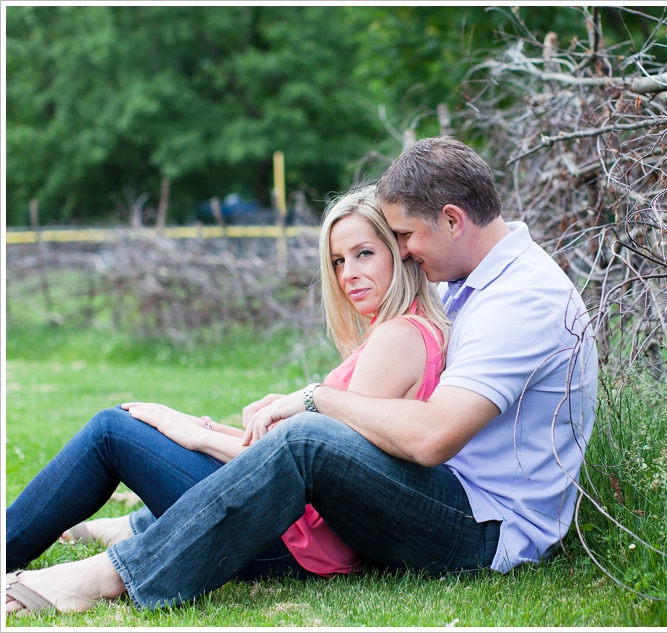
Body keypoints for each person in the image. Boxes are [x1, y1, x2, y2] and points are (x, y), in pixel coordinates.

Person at [5, 136, 598, 615]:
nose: (406, 254)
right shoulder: (474, 284)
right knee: (282, 432)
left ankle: (110, 576)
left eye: (403, 240)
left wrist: (312, 400)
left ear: (451, 219)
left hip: (484, 528)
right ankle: (131, 531)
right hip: (447, 494)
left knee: (304, 437)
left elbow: (430, 436)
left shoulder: (521, 299)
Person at [6, 185, 451, 612]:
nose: (348, 273)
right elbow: (295, 452)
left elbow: (312, 471)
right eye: (337, 260)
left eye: (364, 253)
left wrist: (198, 438)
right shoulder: (401, 332)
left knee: (112, 432)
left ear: (399, 252)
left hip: (287, 543)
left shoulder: (396, 339)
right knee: (132, 426)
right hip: (285, 526)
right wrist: (203, 430)